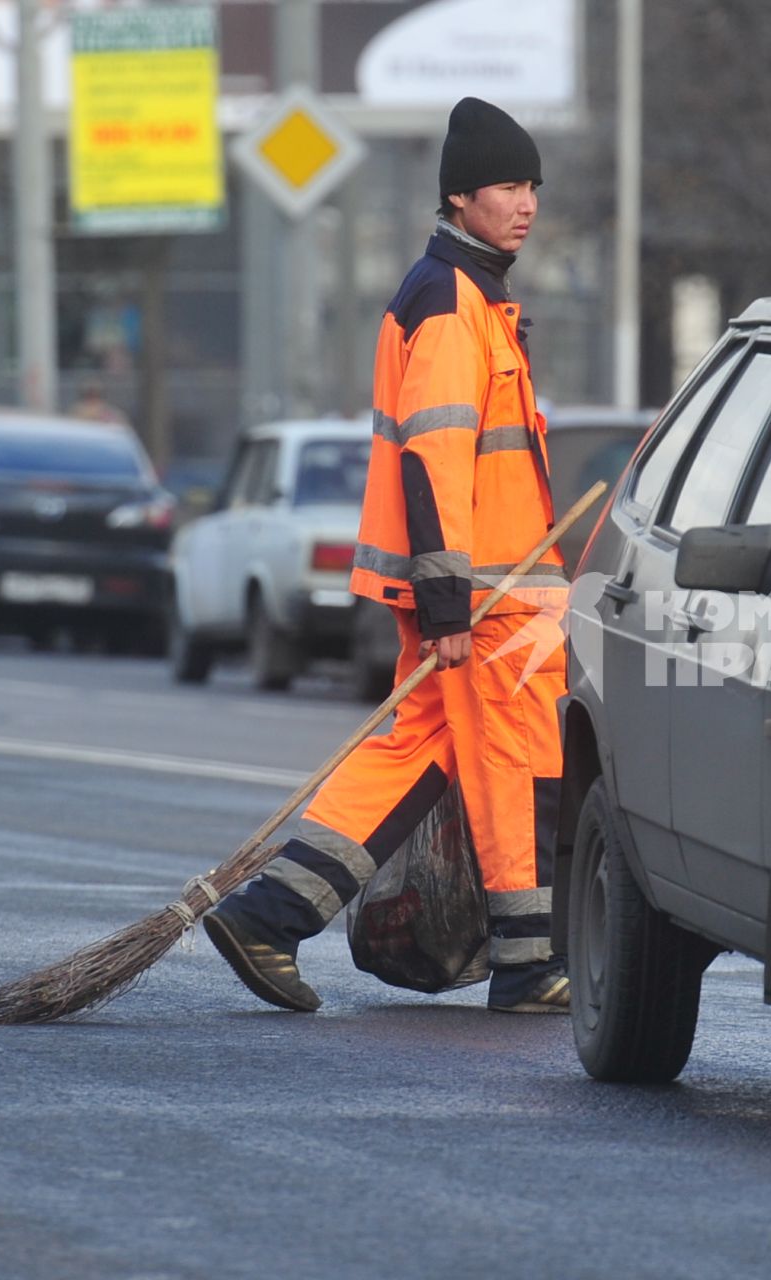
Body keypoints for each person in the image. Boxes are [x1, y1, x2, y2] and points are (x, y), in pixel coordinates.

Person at [204, 97, 571, 1015]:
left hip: (485, 591)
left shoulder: (470, 297)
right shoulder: (450, 306)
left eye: (531, 185)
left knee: (418, 752)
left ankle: (270, 914)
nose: (525, 202)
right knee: (516, 762)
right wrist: (447, 605)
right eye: (506, 186)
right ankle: (530, 962)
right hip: (483, 601)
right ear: (460, 197)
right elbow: (433, 459)